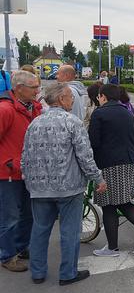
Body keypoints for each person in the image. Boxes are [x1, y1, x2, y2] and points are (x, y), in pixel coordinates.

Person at [21, 82, 107, 285]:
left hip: (39, 188)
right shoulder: (72, 122)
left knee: (40, 229)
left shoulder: (34, 123)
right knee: (69, 232)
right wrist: (98, 178)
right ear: (61, 99)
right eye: (70, 97)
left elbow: (25, 156)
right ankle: (67, 273)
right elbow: (85, 156)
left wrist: (29, 181)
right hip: (69, 188)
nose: (73, 100)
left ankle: (38, 273)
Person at [88, 84, 134, 257]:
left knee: (117, 203)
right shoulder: (127, 112)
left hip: (110, 165)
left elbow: (93, 142)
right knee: (113, 205)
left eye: (99, 97)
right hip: (132, 162)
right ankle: (112, 247)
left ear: (102, 96)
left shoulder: (99, 113)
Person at [0, 70, 41, 273]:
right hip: (7, 174)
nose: (37, 90)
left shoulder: (31, 108)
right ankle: (7, 255)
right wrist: (8, 162)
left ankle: (21, 248)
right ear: (18, 89)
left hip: (26, 171)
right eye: (33, 87)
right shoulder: (5, 110)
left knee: (27, 215)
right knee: (10, 217)